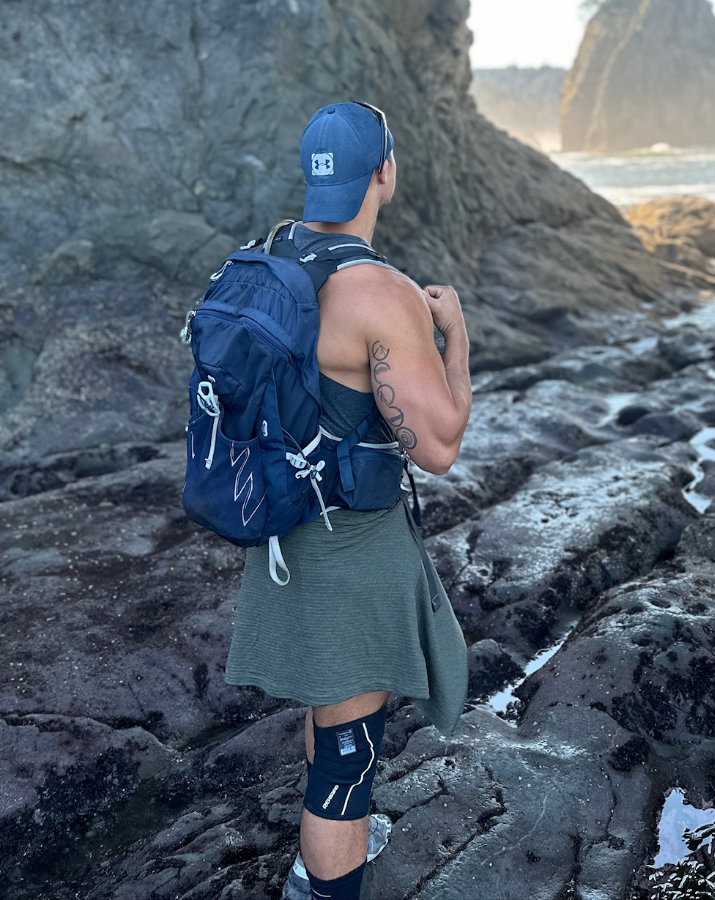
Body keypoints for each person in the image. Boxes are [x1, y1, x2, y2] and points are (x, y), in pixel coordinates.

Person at [223, 100, 473, 900]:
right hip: (352, 550)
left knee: (331, 710)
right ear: (384, 173)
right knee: (349, 755)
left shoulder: (259, 265)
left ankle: (315, 859)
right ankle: (324, 883)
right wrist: (454, 341)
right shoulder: (379, 292)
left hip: (280, 529)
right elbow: (436, 449)